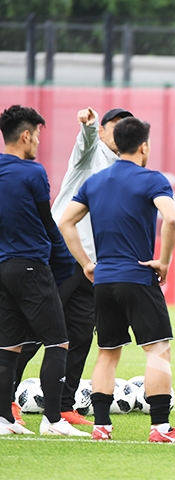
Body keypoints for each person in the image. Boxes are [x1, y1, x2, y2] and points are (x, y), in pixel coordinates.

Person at [59, 117, 175, 444]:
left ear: (117, 143)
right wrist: (164, 260)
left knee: (107, 351)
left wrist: (87, 264)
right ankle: (161, 428)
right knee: (157, 349)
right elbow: (172, 218)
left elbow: (66, 222)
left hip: (103, 279)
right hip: (137, 276)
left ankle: (101, 426)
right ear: (144, 146)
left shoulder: (96, 181)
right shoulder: (152, 179)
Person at [12, 106, 133, 427]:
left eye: (127, 128)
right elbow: (86, 145)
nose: (120, 132)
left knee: (80, 335)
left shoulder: (126, 169)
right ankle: (7, 400)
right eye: (114, 126)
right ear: (104, 132)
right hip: (61, 258)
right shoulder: (90, 157)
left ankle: (66, 405)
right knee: (32, 332)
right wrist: (89, 127)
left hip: (91, 265)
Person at [0, 105, 88, 437]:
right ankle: (53, 419)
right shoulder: (32, 172)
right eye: (36, 134)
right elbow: (47, 223)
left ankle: (3, 420)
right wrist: (68, 263)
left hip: (3, 266)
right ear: (25, 135)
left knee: (8, 346)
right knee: (58, 342)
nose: (37, 141)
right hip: (32, 266)